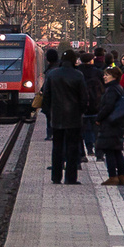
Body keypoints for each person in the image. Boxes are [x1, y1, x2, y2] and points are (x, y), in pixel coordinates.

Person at [41, 49, 87, 184]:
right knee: (72, 147)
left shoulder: (52, 74)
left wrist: (50, 112)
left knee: (57, 147)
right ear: (74, 61)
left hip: (57, 116)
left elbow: (46, 95)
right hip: (73, 117)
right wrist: (81, 111)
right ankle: (71, 178)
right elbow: (84, 97)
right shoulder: (78, 75)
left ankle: (56, 177)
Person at [95, 67, 124, 185]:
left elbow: (108, 106)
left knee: (109, 150)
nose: (104, 77)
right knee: (117, 150)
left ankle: (112, 176)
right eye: (104, 74)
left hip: (110, 123)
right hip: (117, 123)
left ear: (114, 77)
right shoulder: (118, 88)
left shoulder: (111, 90)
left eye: (107, 75)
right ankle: (121, 176)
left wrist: (99, 118)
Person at [79, 51, 106, 159]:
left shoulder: (78, 72)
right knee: (97, 131)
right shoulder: (98, 72)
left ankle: (88, 151)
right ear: (91, 60)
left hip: (83, 106)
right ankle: (99, 154)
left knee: (85, 131)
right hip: (96, 105)